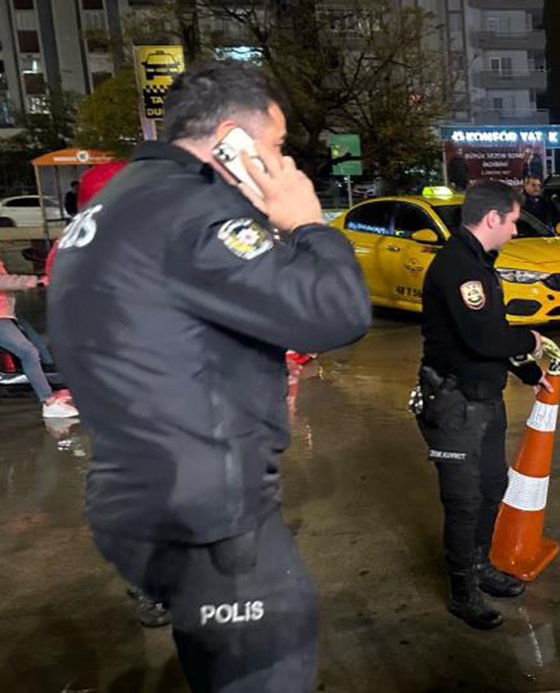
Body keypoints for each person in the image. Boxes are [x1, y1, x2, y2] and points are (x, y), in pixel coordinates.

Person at [47, 61, 372, 692]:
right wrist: (306, 222)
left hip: (142, 501)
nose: (282, 164)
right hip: (212, 520)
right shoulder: (195, 214)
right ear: (233, 139)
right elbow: (336, 313)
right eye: (275, 147)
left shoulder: (121, 201)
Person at [417, 180, 551, 630]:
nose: (516, 231)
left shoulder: (478, 263)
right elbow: (485, 337)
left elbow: (491, 330)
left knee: (493, 486)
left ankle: (479, 566)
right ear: (492, 218)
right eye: (513, 221)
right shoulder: (458, 268)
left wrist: (530, 372)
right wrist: (530, 342)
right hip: (453, 403)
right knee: (464, 500)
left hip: (484, 396)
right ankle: (462, 590)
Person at [0, 256, 76, 417]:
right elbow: (3, 281)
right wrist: (36, 281)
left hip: (6, 313)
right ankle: (49, 402)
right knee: (28, 352)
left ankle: (58, 386)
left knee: (40, 343)